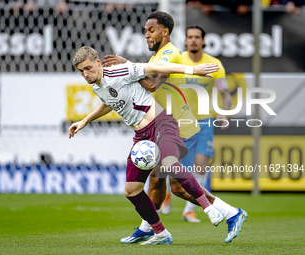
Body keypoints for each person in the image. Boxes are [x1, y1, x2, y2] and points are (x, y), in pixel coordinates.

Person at [102, 11, 248, 244]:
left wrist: (128, 65)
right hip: (165, 125)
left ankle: (232, 213)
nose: (147, 35)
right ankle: (148, 227)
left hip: (178, 126)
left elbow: (150, 84)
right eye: (145, 31)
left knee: (178, 188)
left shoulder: (169, 53)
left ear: (165, 31)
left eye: (151, 30)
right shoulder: (157, 56)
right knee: (156, 179)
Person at [69, 45, 223, 245]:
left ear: (98, 62)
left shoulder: (119, 70)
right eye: (81, 71)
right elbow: (108, 102)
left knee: (169, 163)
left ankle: (209, 209)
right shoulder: (98, 86)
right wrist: (84, 121)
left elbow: (157, 67)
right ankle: (160, 233)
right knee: (131, 190)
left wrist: (194, 70)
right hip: (141, 136)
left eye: (88, 68)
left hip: (161, 122)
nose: (85, 74)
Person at [163, 25, 233, 223]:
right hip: (179, 121)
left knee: (200, 166)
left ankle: (189, 210)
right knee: (174, 165)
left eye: (197, 37)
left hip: (204, 122)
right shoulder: (177, 60)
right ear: (185, 41)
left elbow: (224, 93)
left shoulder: (214, 64)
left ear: (203, 41)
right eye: (189, 37)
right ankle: (168, 192)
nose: (193, 40)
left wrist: (223, 114)